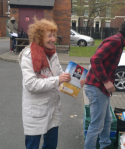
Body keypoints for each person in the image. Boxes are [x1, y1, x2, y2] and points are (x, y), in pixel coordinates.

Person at [18, 18, 82, 149]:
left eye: (54, 35)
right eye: (49, 36)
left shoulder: (52, 53)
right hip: (36, 110)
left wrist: (75, 81)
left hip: (53, 108)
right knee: (32, 146)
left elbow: (60, 74)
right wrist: (58, 79)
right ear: (39, 37)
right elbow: (30, 84)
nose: (53, 39)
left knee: (51, 145)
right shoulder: (28, 55)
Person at [84, 20, 125, 149]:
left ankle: (105, 145)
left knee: (107, 120)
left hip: (101, 88)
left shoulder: (118, 41)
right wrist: (107, 81)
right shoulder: (116, 42)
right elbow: (95, 59)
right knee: (96, 125)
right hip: (97, 87)